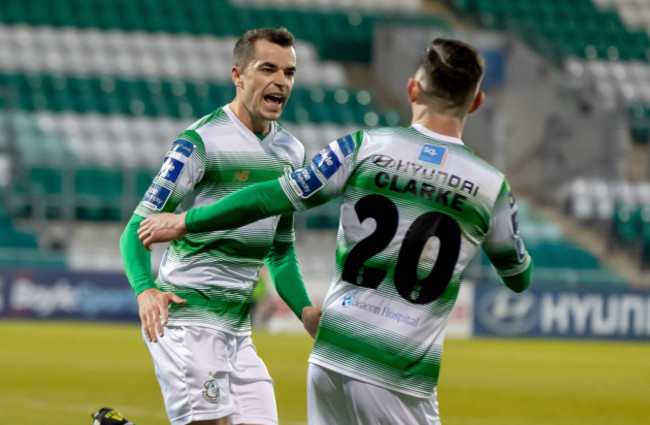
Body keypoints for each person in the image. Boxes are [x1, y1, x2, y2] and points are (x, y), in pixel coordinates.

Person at [137, 37, 534, 425]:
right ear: (477, 102)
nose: (282, 79)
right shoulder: (491, 186)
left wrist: (187, 220)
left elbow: (267, 199)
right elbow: (518, 276)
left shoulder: (361, 147)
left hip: (331, 357)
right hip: (401, 374)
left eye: (289, 71)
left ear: (413, 89)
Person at [119, 27, 321, 425]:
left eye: (289, 72)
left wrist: (305, 310)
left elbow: (280, 249)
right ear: (238, 75)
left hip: (236, 329)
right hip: (186, 319)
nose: (281, 81)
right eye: (268, 69)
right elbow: (135, 229)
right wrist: (145, 290)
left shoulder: (291, 152)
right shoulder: (200, 142)